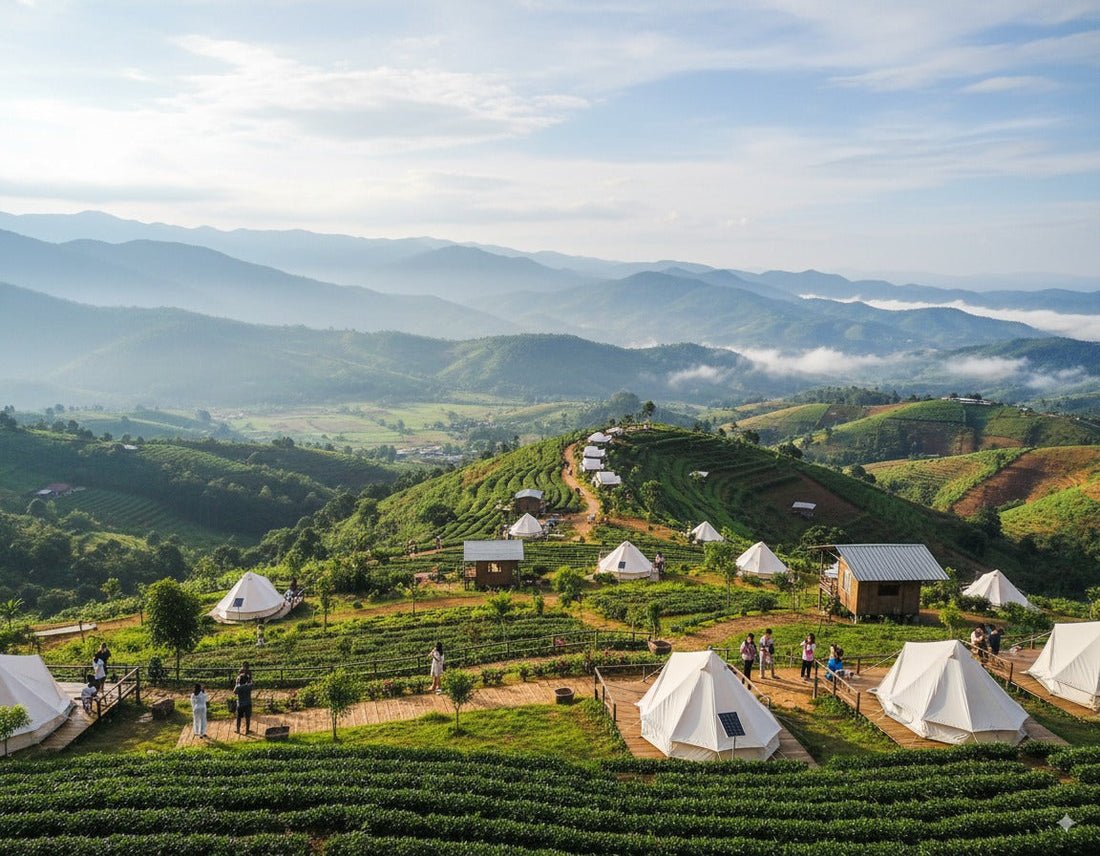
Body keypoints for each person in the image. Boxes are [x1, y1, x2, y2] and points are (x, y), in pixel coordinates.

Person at [234, 664, 254, 735]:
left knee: (238, 717)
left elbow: (234, 692)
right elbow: (252, 683)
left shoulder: (238, 687)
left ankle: (238, 730)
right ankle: (247, 730)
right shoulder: (248, 686)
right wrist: (249, 679)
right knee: (247, 718)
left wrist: (237, 683)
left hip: (240, 704)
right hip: (248, 703)